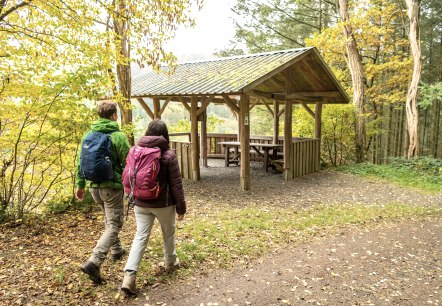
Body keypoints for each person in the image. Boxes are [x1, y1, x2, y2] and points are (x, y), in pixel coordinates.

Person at [121, 119, 186, 296]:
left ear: (148, 132)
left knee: (140, 237)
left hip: (140, 202)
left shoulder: (136, 151)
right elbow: (176, 185)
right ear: (165, 134)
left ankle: (129, 275)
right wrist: (181, 208)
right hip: (163, 204)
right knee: (168, 233)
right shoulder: (168, 155)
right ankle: (171, 263)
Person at [75, 101, 130, 284]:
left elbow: (79, 161)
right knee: (114, 225)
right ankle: (94, 262)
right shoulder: (118, 136)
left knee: (109, 220)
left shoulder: (88, 135)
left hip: (93, 188)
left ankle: (117, 250)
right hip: (111, 187)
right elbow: (129, 163)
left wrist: (80, 184)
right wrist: (130, 183)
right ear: (114, 115)